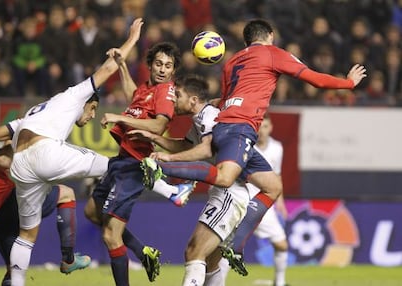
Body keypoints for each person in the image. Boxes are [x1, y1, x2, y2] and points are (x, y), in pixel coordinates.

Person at [141, 19, 367, 282]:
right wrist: (348, 84)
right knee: (225, 177)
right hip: (240, 129)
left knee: (272, 185)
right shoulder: (273, 53)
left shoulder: (232, 62)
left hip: (227, 125)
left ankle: (235, 246)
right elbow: (313, 79)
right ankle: (164, 168)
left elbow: (224, 101)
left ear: (247, 40)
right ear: (270, 35)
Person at [7, 18, 144, 286]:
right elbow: (107, 68)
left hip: (20, 163)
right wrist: (131, 41)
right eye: (93, 110)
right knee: (117, 164)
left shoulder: (39, 110)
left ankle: (17, 282)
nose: (91, 116)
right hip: (43, 151)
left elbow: (3, 132)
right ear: (89, 102)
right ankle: (171, 189)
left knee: (26, 235)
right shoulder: (75, 95)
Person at [82, 36, 191, 285]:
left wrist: (121, 119)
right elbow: (134, 95)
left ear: (173, 70)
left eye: (168, 66)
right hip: (120, 160)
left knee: (111, 236)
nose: (163, 70)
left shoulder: (165, 91)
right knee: (91, 211)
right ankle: (143, 251)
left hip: (134, 164)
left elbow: (159, 123)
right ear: (150, 65)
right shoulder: (147, 89)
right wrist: (121, 64)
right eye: (159, 64)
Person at [129, 75, 250, 286]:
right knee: (211, 262)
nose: (173, 99)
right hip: (227, 190)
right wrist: (154, 138)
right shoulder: (200, 120)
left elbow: (206, 149)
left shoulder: (210, 116)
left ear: (193, 100)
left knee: (194, 251)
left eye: (178, 95)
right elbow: (187, 147)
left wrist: (168, 159)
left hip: (231, 190)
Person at [0, 133, 89, 285]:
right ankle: (68, 258)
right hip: (7, 204)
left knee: (14, 269)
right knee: (66, 194)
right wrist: (12, 142)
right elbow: (5, 161)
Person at [220, 113, 290, 286]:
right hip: (241, 200)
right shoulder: (244, 145)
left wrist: (280, 202)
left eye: (266, 127)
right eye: (260, 127)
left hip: (264, 203)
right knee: (227, 247)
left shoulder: (277, 148)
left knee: (282, 245)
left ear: (271, 128)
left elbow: (277, 176)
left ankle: (279, 282)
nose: (262, 131)